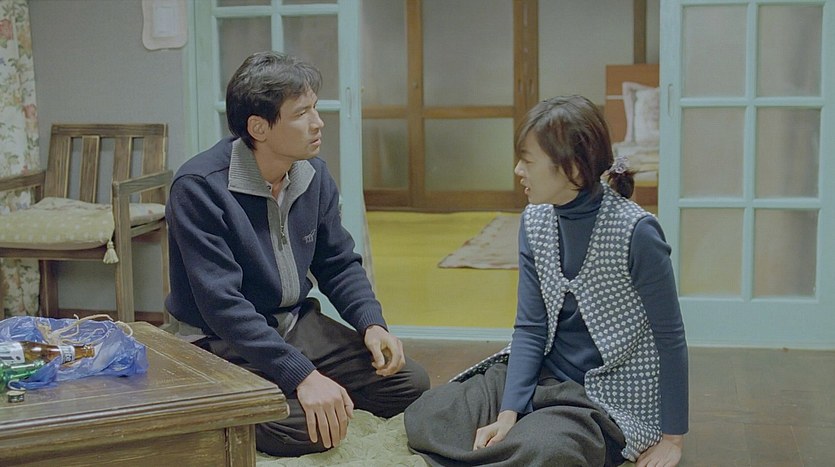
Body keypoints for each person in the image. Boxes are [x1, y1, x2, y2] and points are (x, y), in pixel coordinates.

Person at [165, 51, 430, 457]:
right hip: (220, 340)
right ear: (259, 127)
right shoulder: (199, 187)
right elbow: (222, 306)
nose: (318, 122)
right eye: (302, 113)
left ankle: (288, 390)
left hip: (294, 324)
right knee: (307, 429)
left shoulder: (314, 175)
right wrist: (302, 375)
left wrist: (372, 324)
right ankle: (236, 399)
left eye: (315, 108)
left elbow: (337, 263)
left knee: (408, 384)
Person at [405, 95, 688, 467]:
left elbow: (670, 337)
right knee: (429, 413)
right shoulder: (535, 221)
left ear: (573, 168)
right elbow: (531, 327)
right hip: (543, 376)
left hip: (605, 400)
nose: (518, 170)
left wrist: (673, 438)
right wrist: (508, 412)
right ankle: (510, 444)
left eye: (528, 160)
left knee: (546, 450)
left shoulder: (636, 232)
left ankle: (514, 445)